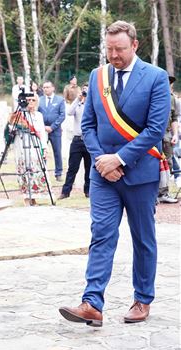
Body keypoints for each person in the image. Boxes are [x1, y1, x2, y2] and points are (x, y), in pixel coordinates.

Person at [59, 21, 170, 327]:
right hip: (103, 176)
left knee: (142, 238)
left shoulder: (156, 78)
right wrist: (101, 161)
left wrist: (119, 159)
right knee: (101, 236)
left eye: (119, 49)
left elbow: (155, 129)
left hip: (139, 174)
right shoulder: (97, 76)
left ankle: (142, 298)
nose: (114, 55)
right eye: (109, 49)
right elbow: (89, 126)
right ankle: (92, 303)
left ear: (135, 45)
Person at [11, 95, 49, 206]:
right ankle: (27, 198)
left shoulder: (39, 115)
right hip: (22, 145)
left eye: (33, 100)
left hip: (35, 145)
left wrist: (44, 147)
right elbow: (12, 128)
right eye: (28, 100)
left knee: (35, 170)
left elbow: (42, 132)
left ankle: (34, 197)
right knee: (25, 169)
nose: (31, 102)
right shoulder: (20, 115)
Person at [59, 83, 91, 200]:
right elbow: (69, 112)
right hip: (77, 140)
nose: (85, 93)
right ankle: (65, 192)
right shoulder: (78, 104)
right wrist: (78, 98)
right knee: (72, 167)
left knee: (89, 167)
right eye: (84, 90)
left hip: (89, 140)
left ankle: (88, 190)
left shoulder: (93, 105)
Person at [156, 76, 179, 204]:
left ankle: (163, 193)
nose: (168, 85)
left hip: (167, 134)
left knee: (168, 163)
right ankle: (152, 193)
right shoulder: (152, 96)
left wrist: (175, 134)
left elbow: (174, 117)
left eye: (169, 83)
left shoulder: (171, 98)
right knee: (153, 163)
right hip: (153, 135)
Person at [38, 81, 66, 181]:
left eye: (48, 87)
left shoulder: (59, 100)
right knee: (42, 152)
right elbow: (36, 114)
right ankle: (42, 173)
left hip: (55, 130)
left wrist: (53, 127)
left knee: (57, 152)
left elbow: (62, 115)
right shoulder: (39, 100)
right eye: (44, 87)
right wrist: (43, 127)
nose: (46, 89)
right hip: (42, 130)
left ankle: (58, 173)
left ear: (53, 88)